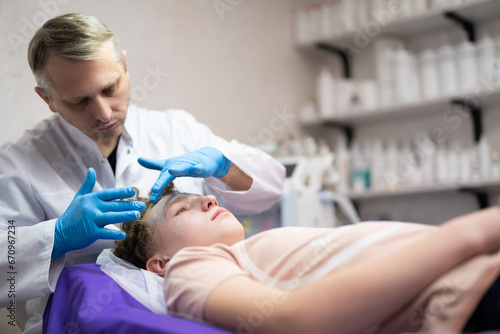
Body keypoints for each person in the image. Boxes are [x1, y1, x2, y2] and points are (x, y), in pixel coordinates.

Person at [0, 13, 285, 333]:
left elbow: (272, 187)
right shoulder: (19, 165)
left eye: (110, 88)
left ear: (124, 66)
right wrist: (56, 237)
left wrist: (224, 167)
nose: (104, 113)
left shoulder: (174, 129)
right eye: (80, 101)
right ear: (47, 98)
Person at [113, 186, 500, 334]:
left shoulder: (252, 250)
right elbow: (291, 318)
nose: (210, 199)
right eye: (184, 210)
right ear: (160, 264)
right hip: (472, 287)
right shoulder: (189, 267)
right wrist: (467, 235)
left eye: (206, 197)